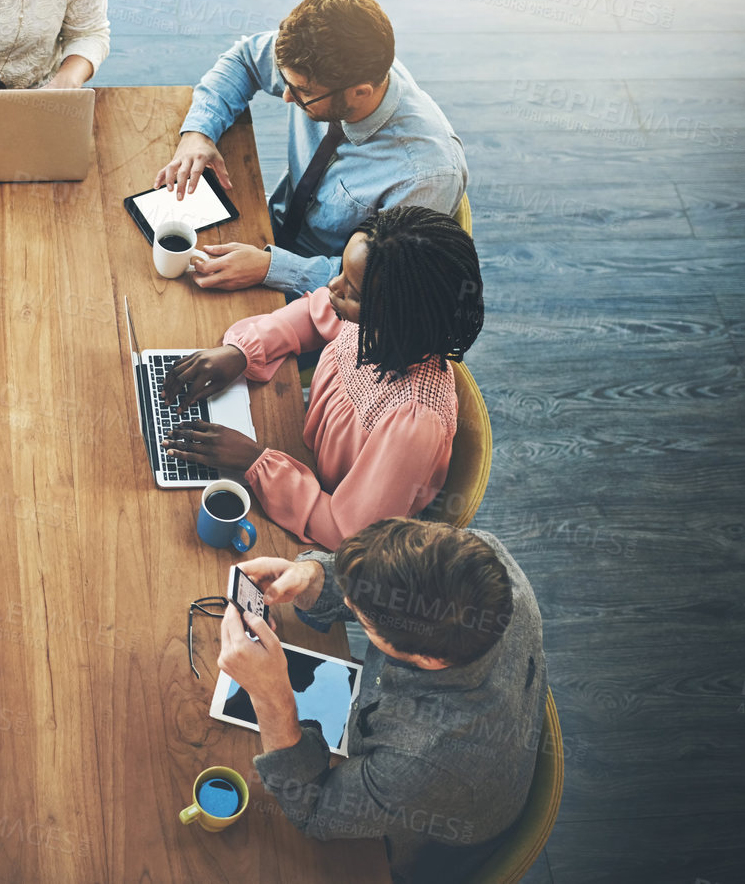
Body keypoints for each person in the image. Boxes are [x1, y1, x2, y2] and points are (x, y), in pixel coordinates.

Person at [218, 519, 547, 883]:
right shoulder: (484, 558)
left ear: (429, 660)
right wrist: (312, 576)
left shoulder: (422, 759)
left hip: (418, 847)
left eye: (363, 617)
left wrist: (271, 698)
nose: (346, 601)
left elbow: (313, 810)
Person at [161, 206, 481, 550]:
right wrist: (241, 353)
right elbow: (313, 316)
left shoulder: (414, 423)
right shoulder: (371, 321)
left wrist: (255, 461)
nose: (332, 286)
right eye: (342, 271)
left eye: (352, 292)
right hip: (304, 461)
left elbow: (348, 534)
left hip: (327, 523)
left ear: (399, 317)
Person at [153, 0, 466, 298]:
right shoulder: (321, 65)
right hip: (265, 229)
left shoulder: (425, 176)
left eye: (301, 92)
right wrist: (199, 133)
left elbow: (382, 281)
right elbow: (246, 59)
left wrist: (268, 268)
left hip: (328, 299)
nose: (287, 96)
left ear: (360, 92)